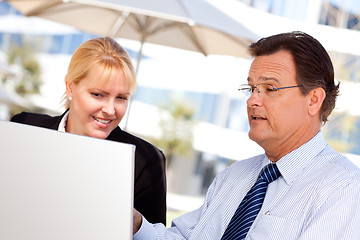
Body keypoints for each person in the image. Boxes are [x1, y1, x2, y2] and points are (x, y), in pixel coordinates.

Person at [133, 31, 360, 239]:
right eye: (252, 89)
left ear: (313, 100)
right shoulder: (233, 177)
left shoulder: (343, 189)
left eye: (270, 89)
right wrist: (136, 225)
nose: (252, 100)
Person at [10, 37, 167, 225]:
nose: (110, 110)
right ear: (70, 87)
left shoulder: (145, 161)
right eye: (98, 94)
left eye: (121, 98)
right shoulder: (23, 128)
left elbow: (152, 236)